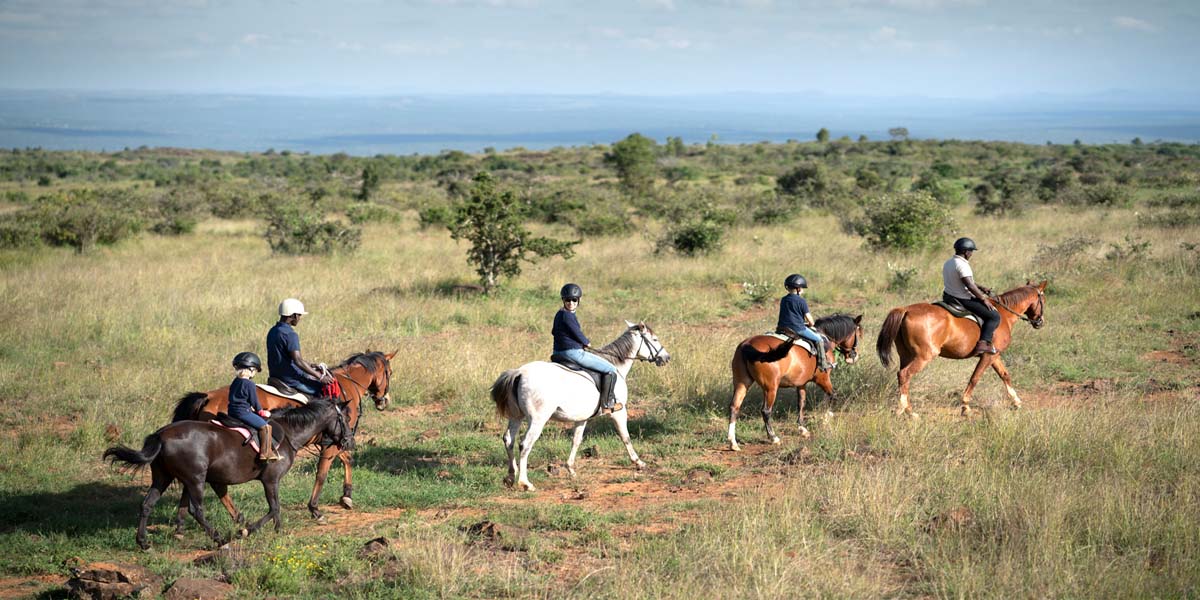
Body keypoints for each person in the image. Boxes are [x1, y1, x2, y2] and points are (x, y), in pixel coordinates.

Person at [551, 283, 622, 414]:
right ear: (563, 300)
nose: (571, 303)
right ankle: (607, 404)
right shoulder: (568, 316)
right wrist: (585, 342)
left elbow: (556, 332)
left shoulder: (559, 314)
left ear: (578, 301)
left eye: (574, 300)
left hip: (558, 352)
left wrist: (577, 342)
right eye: (568, 300)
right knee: (611, 369)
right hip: (572, 353)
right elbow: (575, 332)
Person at [943, 237, 1001, 356]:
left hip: (948, 296)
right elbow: (969, 285)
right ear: (966, 252)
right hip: (962, 299)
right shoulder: (963, 265)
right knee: (994, 316)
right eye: (971, 251)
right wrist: (984, 299)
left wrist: (981, 287)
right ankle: (983, 343)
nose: (971, 254)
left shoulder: (948, 262)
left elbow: (963, 280)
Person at [266, 298, 333, 397]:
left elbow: (287, 357)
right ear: (294, 315)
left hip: (275, 376)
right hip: (290, 379)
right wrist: (320, 377)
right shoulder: (290, 334)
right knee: (323, 392)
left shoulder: (273, 331)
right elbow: (298, 361)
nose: (299, 318)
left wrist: (310, 365)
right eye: (299, 315)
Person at [227, 352, 280, 462]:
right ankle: (266, 453)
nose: (255, 373)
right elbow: (254, 401)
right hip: (243, 413)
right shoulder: (250, 384)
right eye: (255, 370)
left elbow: (236, 397)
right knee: (265, 427)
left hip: (232, 411)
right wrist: (261, 411)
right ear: (251, 370)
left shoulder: (235, 381)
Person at [775, 274, 832, 371]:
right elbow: (811, 321)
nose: (803, 290)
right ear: (798, 289)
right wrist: (809, 324)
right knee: (819, 340)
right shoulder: (801, 301)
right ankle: (823, 364)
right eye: (802, 288)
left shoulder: (784, 299)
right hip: (797, 329)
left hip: (782, 328)